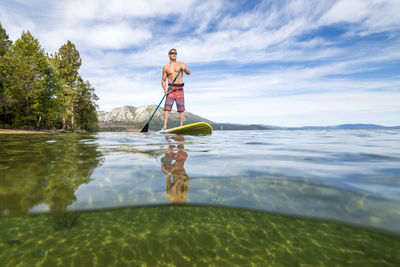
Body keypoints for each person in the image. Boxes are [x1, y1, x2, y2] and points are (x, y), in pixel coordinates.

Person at [161, 48, 190, 130]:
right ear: (169, 55)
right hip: (170, 88)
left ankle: (181, 126)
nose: (174, 54)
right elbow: (163, 80)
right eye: (172, 53)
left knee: (181, 109)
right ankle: (164, 126)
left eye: (175, 53)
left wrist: (185, 69)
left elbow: (188, 72)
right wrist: (165, 89)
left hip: (180, 88)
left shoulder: (181, 64)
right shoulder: (166, 67)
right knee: (167, 108)